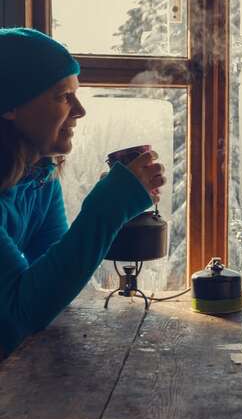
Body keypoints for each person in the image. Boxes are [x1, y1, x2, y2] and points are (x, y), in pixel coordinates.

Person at [0, 28, 166, 358]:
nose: (79, 110)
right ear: (10, 106)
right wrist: (110, 206)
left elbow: (53, 290)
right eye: (63, 96)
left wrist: (120, 205)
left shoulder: (38, 178)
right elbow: (17, 318)